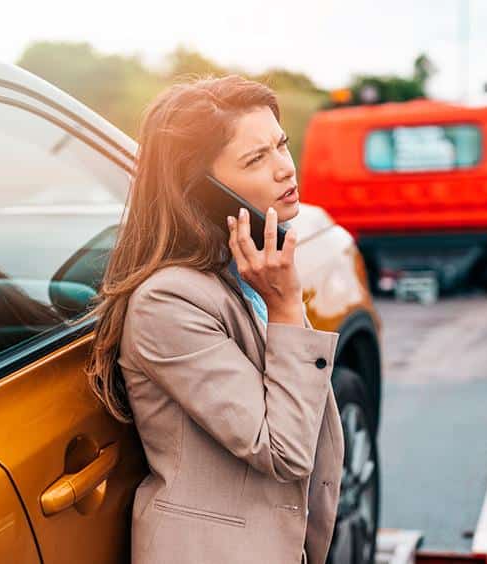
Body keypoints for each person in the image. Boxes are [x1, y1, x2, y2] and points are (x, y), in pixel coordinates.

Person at [83, 75, 344, 564]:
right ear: (201, 190)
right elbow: (284, 450)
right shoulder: (167, 303)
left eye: (281, 146)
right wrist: (287, 308)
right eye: (255, 159)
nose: (285, 169)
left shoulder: (246, 272)